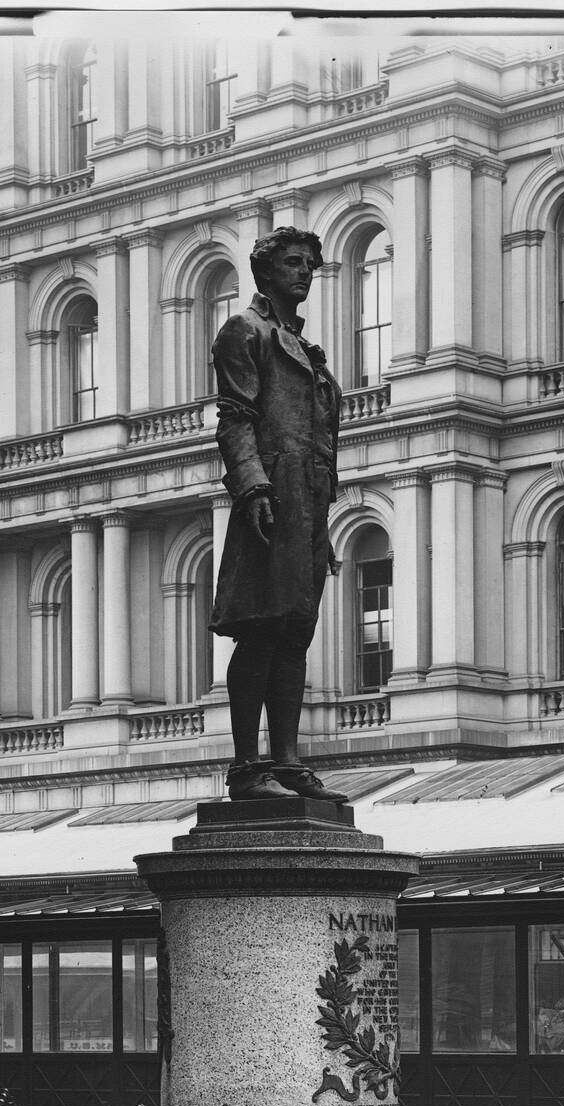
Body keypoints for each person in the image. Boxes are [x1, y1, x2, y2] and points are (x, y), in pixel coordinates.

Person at [209, 226, 348, 804]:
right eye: (293, 263)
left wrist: (321, 521)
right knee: (262, 633)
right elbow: (235, 418)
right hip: (271, 497)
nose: (304, 273)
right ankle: (248, 768)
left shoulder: (304, 347)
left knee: (295, 634)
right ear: (265, 272)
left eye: (310, 266)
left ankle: (288, 763)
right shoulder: (246, 331)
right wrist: (253, 488)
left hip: (308, 506)